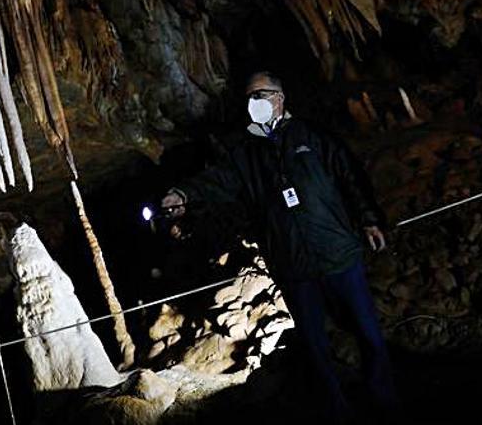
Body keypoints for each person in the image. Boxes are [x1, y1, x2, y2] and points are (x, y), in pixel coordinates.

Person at [161, 71, 400, 424]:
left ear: (281, 97)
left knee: (368, 332)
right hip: (293, 266)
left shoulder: (313, 136)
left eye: (262, 95)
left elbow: (350, 176)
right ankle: (337, 410)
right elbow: (216, 182)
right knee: (316, 348)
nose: (255, 103)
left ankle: (384, 401)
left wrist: (369, 219)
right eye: (249, 98)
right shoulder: (245, 153)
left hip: (337, 254)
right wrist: (183, 194)